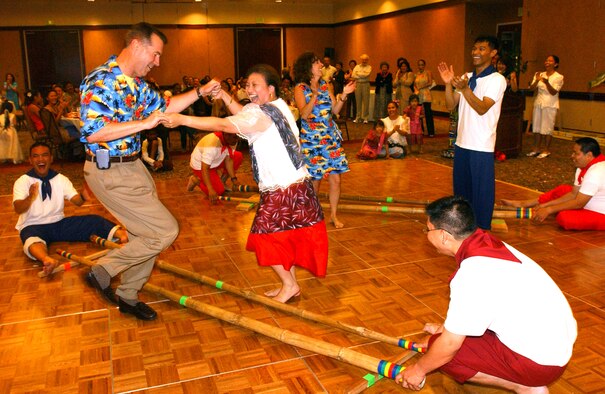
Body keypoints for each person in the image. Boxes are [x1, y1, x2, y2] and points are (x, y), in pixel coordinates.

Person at [79, 22, 217, 320]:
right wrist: (143, 124)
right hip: (109, 171)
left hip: (133, 166)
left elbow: (166, 107)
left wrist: (200, 91)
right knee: (165, 230)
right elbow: (94, 132)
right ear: (137, 46)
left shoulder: (137, 86)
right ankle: (103, 269)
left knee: (146, 234)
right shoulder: (101, 81)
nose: (157, 62)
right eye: (155, 54)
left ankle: (128, 295)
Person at [163, 64, 329, 304]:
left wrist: (182, 119)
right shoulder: (278, 106)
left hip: (283, 189)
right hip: (294, 185)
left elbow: (225, 124)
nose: (249, 90)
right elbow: (245, 114)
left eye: (255, 85)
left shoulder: (262, 114)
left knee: (264, 237)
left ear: (270, 88)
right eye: (247, 85)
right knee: (282, 238)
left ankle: (290, 284)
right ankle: (289, 285)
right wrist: (224, 96)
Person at [397, 196, 577, 391]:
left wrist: (418, 370)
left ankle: (524, 387)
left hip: (541, 364)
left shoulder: (472, 274)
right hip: (557, 343)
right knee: (441, 342)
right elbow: (487, 303)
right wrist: (446, 328)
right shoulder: (489, 243)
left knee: (439, 353)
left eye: (428, 230)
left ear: (443, 235)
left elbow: (450, 345)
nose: (426, 234)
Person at [12, 142, 128, 276]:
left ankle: (122, 237)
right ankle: (47, 259)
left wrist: (84, 194)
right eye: (36, 156)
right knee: (30, 239)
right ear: (30, 160)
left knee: (93, 220)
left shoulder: (60, 179)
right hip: (33, 225)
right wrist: (30, 197)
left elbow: (77, 202)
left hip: (58, 223)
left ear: (51, 158)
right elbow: (18, 209)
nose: (41, 159)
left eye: (45, 155)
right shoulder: (23, 181)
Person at [437, 35, 507, 230]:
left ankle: (482, 229)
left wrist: (465, 88)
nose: (476, 52)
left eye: (482, 49)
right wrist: (448, 84)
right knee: (462, 192)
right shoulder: (467, 76)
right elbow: (451, 105)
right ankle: (463, 227)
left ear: (493, 53)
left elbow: (482, 108)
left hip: (481, 144)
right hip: (462, 142)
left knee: (481, 193)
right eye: (474, 48)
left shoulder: (497, 80)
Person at [294, 52, 356, 229]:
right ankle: (313, 214)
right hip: (312, 140)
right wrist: (314, 95)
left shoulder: (326, 84)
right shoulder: (300, 88)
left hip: (330, 137)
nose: (321, 64)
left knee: (336, 179)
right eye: (317, 62)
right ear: (308, 67)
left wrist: (344, 94)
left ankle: (334, 215)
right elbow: (304, 115)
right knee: (315, 180)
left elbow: (336, 110)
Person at [502, 137, 605, 230]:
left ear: (589, 155)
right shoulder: (582, 166)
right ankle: (525, 204)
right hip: (585, 201)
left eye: (576, 153)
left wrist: (549, 210)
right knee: (562, 190)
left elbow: (579, 203)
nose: (572, 156)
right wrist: (545, 205)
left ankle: (555, 211)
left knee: (564, 218)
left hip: (600, 213)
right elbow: (574, 194)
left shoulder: (595, 172)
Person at [187, 131, 242, 203]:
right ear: (226, 136)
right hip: (201, 166)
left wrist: (234, 179)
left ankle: (222, 182)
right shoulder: (212, 145)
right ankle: (195, 180)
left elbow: (229, 160)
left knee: (238, 156)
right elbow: (205, 168)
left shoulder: (231, 139)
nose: (236, 140)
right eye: (235, 138)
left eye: (237, 138)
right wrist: (210, 189)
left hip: (214, 161)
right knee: (218, 191)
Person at [527, 55, 564, 159]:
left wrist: (547, 82)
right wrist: (536, 80)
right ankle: (536, 149)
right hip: (539, 103)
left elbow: (553, 92)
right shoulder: (539, 74)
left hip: (550, 104)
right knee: (537, 127)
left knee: (547, 128)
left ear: (556, 64)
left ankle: (546, 150)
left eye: (550, 61)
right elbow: (531, 89)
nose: (547, 62)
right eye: (546, 60)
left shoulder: (558, 77)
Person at [414, 59, 435, 137]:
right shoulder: (416, 74)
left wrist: (421, 87)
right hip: (419, 95)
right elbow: (415, 84)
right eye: (419, 65)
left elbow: (430, 82)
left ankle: (431, 132)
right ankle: (420, 131)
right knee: (419, 114)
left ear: (424, 65)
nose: (420, 66)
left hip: (426, 94)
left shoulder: (428, 72)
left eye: (422, 64)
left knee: (428, 113)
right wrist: (416, 89)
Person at [351, 54, 372, 123]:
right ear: (361, 60)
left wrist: (358, 74)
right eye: (363, 59)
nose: (364, 61)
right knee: (358, 101)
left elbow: (367, 75)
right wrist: (362, 74)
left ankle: (365, 118)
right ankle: (358, 117)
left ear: (368, 60)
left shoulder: (369, 67)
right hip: (358, 84)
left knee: (366, 102)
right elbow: (353, 75)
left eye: (366, 60)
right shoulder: (357, 67)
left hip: (366, 84)